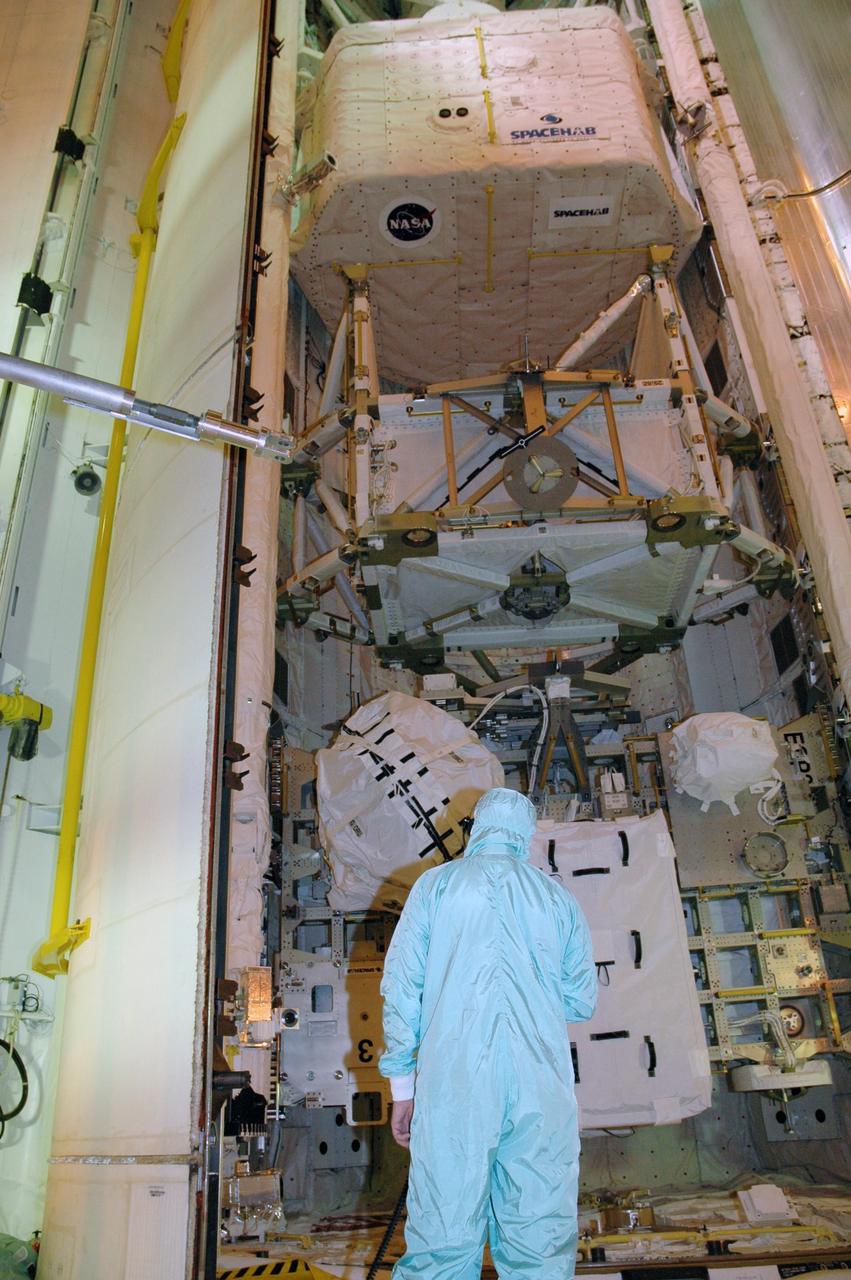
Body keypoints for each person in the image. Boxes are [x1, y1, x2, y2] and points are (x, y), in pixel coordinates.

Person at [378, 786, 596, 1280]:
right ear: (527, 835)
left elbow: (401, 990)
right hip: (541, 1089)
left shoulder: (435, 888)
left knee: (443, 1238)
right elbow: (581, 1001)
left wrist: (403, 1088)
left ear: (476, 829)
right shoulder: (557, 899)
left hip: (453, 1086)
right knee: (539, 1239)